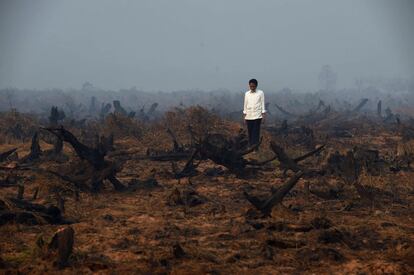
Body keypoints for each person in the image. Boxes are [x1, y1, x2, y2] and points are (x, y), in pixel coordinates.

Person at [243, 78, 266, 148]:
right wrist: (244, 114)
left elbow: (262, 103)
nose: (252, 88)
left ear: (256, 86)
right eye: (251, 86)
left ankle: (255, 147)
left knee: (255, 132)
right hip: (249, 115)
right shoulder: (247, 94)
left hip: (257, 115)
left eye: (253, 86)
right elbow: (245, 104)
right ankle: (250, 146)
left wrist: (263, 114)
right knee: (250, 132)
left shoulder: (260, 93)